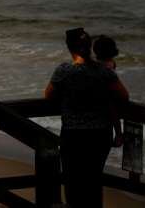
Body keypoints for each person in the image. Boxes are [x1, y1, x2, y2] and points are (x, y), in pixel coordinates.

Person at [44, 27, 129, 208]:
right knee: (93, 181)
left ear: (69, 48)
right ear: (89, 47)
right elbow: (123, 96)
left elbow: (48, 96)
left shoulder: (64, 71)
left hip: (73, 135)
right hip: (99, 135)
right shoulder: (104, 72)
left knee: (72, 181)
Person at [93, 34, 125, 148]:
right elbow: (124, 95)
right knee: (113, 111)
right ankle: (119, 135)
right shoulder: (111, 64)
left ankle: (119, 135)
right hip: (108, 100)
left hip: (96, 101)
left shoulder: (94, 64)